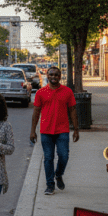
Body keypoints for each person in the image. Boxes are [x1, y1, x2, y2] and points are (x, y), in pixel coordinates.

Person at [30, 66, 79, 195]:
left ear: (60, 76)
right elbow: (36, 112)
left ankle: (58, 174)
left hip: (62, 130)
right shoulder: (41, 92)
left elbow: (73, 110)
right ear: (47, 75)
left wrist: (76, 129)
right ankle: (50, 185)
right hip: (46, 131)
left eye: (56, 75)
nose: (53, 77)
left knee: (64, 156)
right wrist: (32, 131)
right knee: (48, 158)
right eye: (51, 74)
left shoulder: (67, 91)